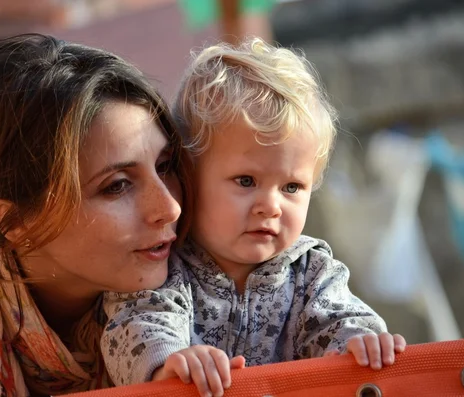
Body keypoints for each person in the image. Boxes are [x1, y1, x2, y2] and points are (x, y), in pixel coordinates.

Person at [101, 38, 406, 397]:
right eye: (246, 181)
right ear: (188, 177)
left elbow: (339, 319)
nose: (271, 206)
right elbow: (137, 325)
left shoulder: (310, 273)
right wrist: (172, 362)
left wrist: (361, 342)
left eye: (292, 187)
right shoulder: (165, 266)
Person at [0, 33, 192, 396]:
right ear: (14, 222)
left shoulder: (224, 271)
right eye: (117, 185)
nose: (169, 207)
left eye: (165, 165)